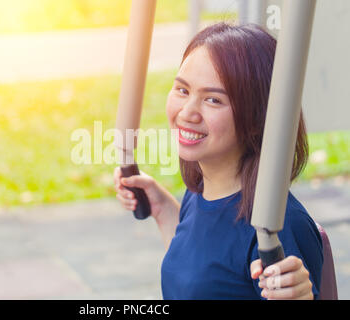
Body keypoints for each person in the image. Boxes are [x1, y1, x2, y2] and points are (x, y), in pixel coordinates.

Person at [113, 23, 323, 300]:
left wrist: (301, 295)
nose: (187, 113)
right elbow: (204, 276)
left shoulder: (279, 226)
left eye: (213, 100)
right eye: (183, 90)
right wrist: (163, 209)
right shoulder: (201, 192)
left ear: (257, 116)